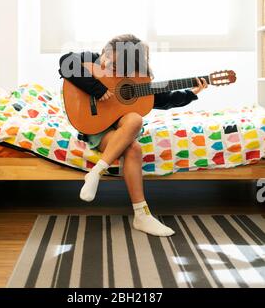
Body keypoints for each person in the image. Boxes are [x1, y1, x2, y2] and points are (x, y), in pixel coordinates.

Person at [58, 34, 208, 237]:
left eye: (115, 64)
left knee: (135, 119)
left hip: (125, 126)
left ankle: (96, 174)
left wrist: (191, 93)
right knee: (133, 148)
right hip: (95, 127)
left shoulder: (134, 79)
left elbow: (162, 99)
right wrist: (98, 89)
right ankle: (141, 214)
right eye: (107, 56)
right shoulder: (91, 60)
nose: (108, 62)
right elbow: (66, 62)